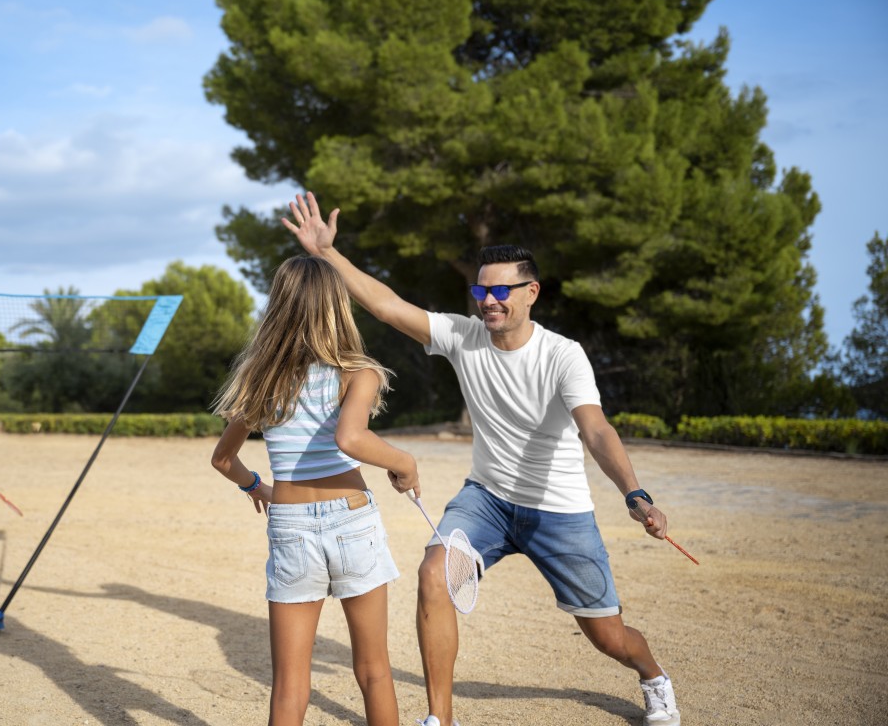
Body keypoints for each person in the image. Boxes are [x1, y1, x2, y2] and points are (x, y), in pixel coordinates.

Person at [284, 191, 682, 726]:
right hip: (487, 501)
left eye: (500, 290)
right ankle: (441, 719)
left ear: (531, 292)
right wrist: (327, 254)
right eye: (481, 290)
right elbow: (386, 306)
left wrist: (635, 494)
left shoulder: (563, 355)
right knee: (433, 573)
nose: (488, 301)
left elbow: (596, 429)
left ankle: (653, 677)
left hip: (559, 510)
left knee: (608, 636)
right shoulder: (463, 336)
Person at [210, 254, 421, 726]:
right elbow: (351, 438)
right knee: (374, 671)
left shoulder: (260, 378)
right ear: (337, 307)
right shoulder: (358, 373)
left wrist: (258, 487)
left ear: (278, 307)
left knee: (289, 684)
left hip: (290, 525)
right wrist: (405, 464)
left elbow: (223, 459)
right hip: (351, 517)